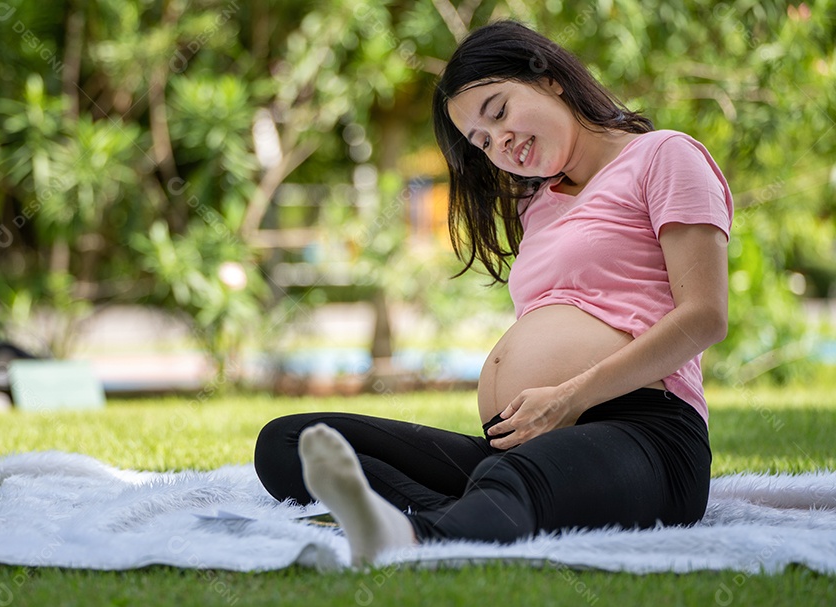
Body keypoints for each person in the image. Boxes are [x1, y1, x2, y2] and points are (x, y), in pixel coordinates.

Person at [253, 19, 735, 567]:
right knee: (290, 441)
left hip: (646, 433)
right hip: (525, 436)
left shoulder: (665, 157)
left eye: (499, 111)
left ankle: (416, 540)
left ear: (549, 78)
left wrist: (570, 396)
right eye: (480, 141)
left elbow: (704, 317)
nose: (498, 143)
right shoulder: (540, 206)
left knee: (511, 477)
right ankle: (463, 511)